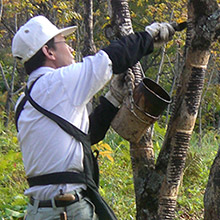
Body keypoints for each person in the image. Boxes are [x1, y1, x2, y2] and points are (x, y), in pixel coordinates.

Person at [12, 15, 175, 220]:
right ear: (48, 51)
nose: (70, 49)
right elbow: (110, 58)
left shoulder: (24, 102)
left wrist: (112, 99)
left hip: (38, 212)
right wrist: (149, 37)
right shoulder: (60, 82)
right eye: (64, 42)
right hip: (67, 211)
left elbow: (85, 136)